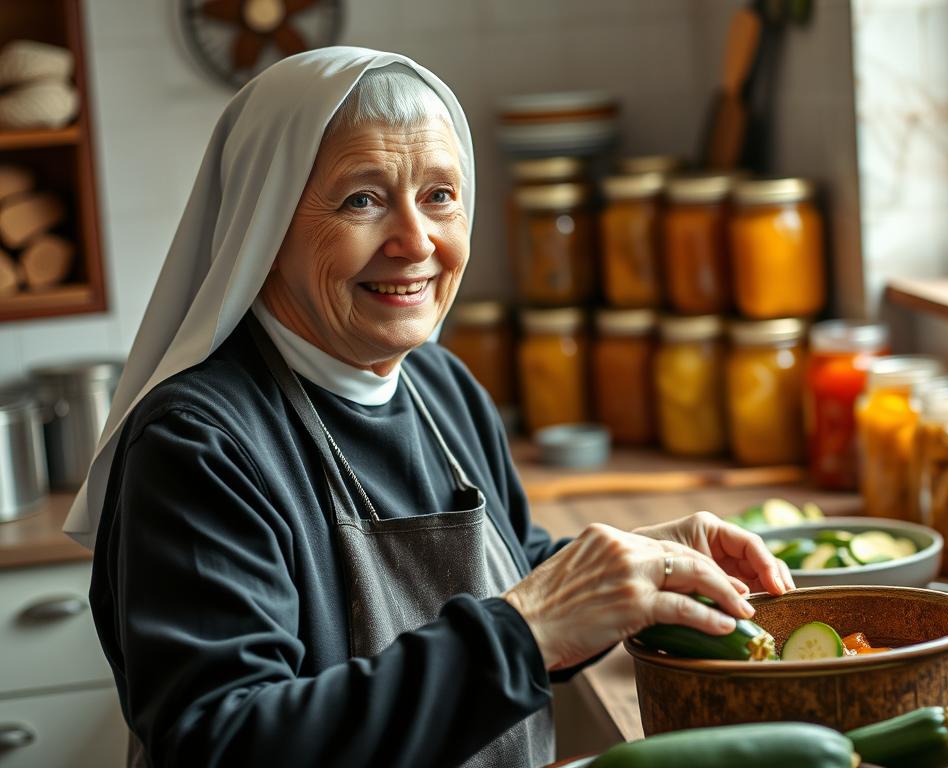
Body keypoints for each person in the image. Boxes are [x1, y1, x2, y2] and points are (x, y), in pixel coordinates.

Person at [65, 47, 795, 768]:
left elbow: (511, 584)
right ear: (265, 226)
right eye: (362, 200)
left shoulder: (441, 384)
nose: (416, 241)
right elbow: (222, 744)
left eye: (440, 195)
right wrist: (527, 629)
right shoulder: (198, 444)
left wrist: (638, 566)